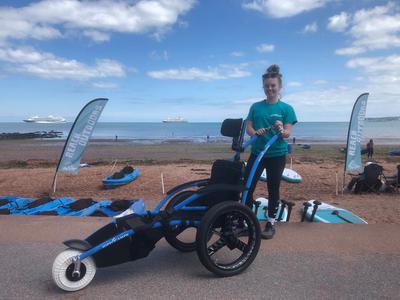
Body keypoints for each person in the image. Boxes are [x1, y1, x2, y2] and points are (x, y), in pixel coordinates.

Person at [244, 64, 297, 239]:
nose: (270, 88)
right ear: (263, 87)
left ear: (279, 87)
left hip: (276, 155)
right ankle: (245, 220)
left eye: (273, 85)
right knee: (247, 187)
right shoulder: (256, 107)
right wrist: (254, 132)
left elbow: (287, 134)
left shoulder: (286, 109)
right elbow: (249, 126)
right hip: (257, 154)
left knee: (273, 189)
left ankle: (270, 223)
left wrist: (282, 129)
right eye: (267, 86)